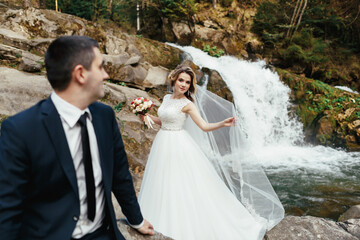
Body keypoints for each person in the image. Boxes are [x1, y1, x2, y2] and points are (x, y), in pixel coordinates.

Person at [0, 36, 154, 240]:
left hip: (103, 235)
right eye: (100, 67)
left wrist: (137, 220)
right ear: (80, 74)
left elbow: (120, 176)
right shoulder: (21, 130)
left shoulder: (105, 116)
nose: (106, 75)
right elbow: (8, 210)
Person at [138, 65, 284, 240]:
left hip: (178, 145)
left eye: (187, 82)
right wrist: (145, 115)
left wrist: (223, 123)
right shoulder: (167, 98)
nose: (183, 84)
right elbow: (163, 120)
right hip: (162, 143)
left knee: (179, 184)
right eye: (181, 80)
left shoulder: (188, 104)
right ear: (174, 80)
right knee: (161, 180)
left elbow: (204, 126)